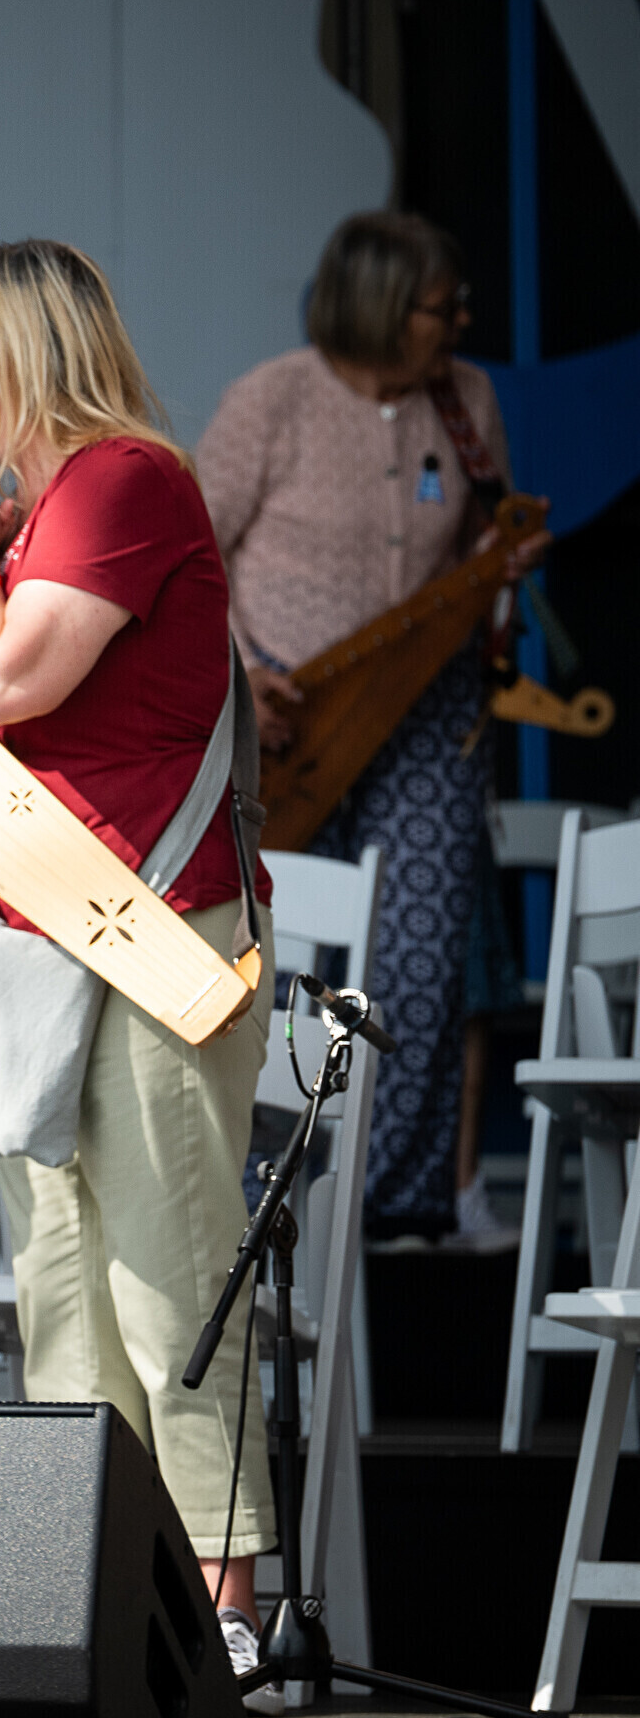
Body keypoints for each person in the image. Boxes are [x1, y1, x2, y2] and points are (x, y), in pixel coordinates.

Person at [0, 239, 278, 1690]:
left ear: (10, 350)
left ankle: (222, 1603)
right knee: (61, 1298)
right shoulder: (25, 518)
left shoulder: (119, 482)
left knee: (166, 1278)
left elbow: (11, 678)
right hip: (43, 954)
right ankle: (105, 1598)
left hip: (149, 936)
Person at [197, 211, 547, 1247]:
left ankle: (392, 1213)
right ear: (382, 309)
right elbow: (192, 557)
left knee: (421, 956)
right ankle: (260, 1205)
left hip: (426, 712)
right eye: (443, 306)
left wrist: (497, 567)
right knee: (275, 952)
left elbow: (473, 543)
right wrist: (239, 674)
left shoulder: (465, 398)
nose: (462, 321)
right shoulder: (271, 400)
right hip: (288, 719)